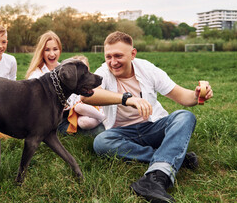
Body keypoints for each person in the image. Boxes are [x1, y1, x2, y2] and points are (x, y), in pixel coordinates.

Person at [81, 31, 213, 203]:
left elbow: (182, 97)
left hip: (153, 128)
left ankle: (153, 180)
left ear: (133, 54)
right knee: (101, 142)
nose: (113, 62)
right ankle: (171, 157)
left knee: (184, 116)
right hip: (122, 133)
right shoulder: (103, 72)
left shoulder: (148, 69)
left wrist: (197, 95)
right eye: (109, 57)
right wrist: (127, 99)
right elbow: (87, 95)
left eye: (118, 56)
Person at [65, 55, 106, 134]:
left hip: (93, 107)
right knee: (82, 123)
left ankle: (103, 118)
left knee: (78, 107)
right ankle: (103, 120)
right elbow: (69, 103)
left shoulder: (90, 82)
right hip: (81, 114)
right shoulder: (70, 86)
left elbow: (96, 95)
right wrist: (66, 106)